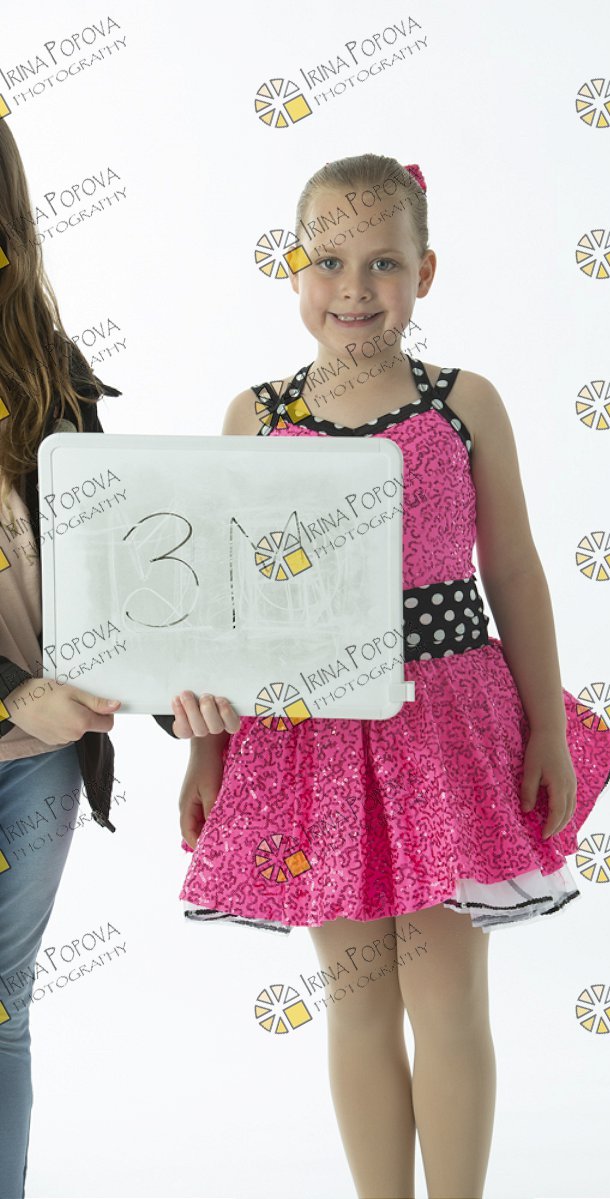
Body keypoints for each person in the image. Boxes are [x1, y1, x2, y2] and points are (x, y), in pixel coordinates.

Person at [162, 154, 610, 1199]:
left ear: (426, 272)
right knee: (356, 997)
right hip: (314, 733)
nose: (355, 287)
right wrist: (205, 753)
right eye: (329, 261)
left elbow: (513, 569)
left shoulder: (465, 403)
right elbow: (226, 605)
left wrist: (545, 731)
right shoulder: (257, 415)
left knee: (446, 998)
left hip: (448, 728)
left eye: (383, 262)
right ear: (294, 270)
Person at [0, 120, 125, 1197]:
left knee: (2, 1004)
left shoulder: (50, 366)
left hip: (37, 757)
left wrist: (178, 686)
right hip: (21, 715)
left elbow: (117, 559)